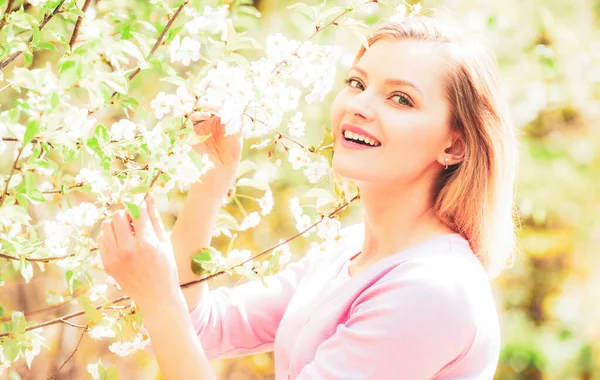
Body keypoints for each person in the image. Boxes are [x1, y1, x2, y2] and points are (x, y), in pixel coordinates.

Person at [97, 15, 518, 380]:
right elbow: (200, 328)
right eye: (357, 83)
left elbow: (170, 315)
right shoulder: (350, 253)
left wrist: (156, 296)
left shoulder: (430, 290)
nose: (359, 106)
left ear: (455, 146)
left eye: (400, 98)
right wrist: (211, 184)